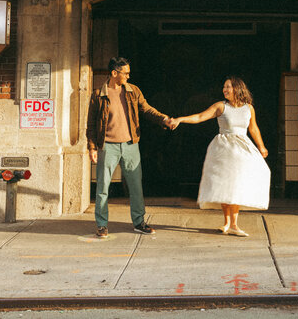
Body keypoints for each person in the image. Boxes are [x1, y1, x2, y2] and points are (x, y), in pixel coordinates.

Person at [168, 76, 270, 237]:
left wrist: (261, 146)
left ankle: (234, 224)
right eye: (224, 87)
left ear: (237, 88)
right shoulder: (220, 106)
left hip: (242, 148)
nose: (224, 90)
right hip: (224, 148)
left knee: (237, 184)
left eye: (228, 87)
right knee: (225, 184)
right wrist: (180, 119)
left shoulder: (248, 108)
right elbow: (200, 117)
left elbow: (253, 129)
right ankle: (227, 223)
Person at [87, 57, 171, 238]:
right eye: (125, 73)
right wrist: (92, 147)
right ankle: (102, 225)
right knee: (102, 187)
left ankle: (139, 222)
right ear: (114, 73)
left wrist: (163, 118)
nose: (128, 76)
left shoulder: (133, 91)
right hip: (107, 146)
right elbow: (91, 124)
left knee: (135, 186)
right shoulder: (98, 95)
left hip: (131, 144)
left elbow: (147, 109)